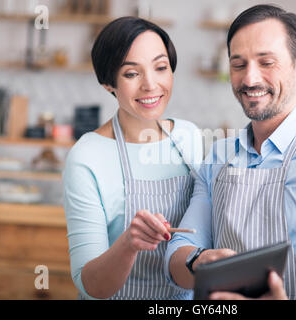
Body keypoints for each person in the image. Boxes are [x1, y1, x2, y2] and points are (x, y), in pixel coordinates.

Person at [165, 4, 296, 300]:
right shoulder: (219, 156)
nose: (250, 79)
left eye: (266, 62)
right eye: (238, 64)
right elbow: (179, 251)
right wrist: (198, 262)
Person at [63, 16, 202, 300]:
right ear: (108, 83)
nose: (150, 85)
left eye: (161, 68)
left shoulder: (189, 137)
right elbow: (90, 286)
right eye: (131, 73)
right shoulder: (87, 156)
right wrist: (129, 242)